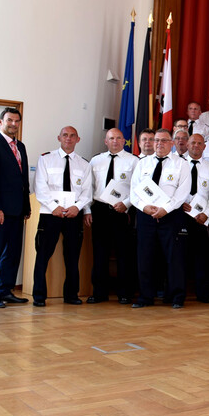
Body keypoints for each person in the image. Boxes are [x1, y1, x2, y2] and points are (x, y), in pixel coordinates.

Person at [130, 128, 192, 308]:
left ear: (172, 143)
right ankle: (145, 297)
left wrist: (165, 209)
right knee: (145, 257)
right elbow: (134, 192)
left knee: (174, 258)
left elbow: (182, 192)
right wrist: (145, 208)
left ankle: (176, 297)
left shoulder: (181, 164)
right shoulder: (142, 164)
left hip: (171, 217)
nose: (158, 144)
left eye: (164, 141)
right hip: (146, 216)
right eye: (156, 140)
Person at [31, 126, 92, 306]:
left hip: (73, 215)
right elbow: (40, 187)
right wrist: (53, 207)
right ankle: (39, 296)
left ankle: (71, 295)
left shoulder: (84, 164)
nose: (68, 138)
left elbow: (87, 193)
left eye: (73, 136)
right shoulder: (45, 159)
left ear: (78, 139)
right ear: (59, 137)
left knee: (73, 257)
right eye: (65, 135)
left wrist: (78, 208)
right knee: (42, 255)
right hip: (50, 215)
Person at [0, 107, 32, 308]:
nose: (14, 124)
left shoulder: (21, 147)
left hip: (17, 211)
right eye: (10, 120)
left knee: (12, 253)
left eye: (17, 121)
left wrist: (26, 206)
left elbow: (23, 181)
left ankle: (5, 290)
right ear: (1, 122)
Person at [84, 128, 138, 304]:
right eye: (111, 138)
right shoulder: (95, 160)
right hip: (100, 209)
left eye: (118, 138)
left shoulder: (134, 161)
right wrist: (87, 210)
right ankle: (99, 293)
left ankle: (125, 293)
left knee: (124, 253)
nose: (115, 141)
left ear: (124, 141)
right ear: (105, 141)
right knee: (100, 253)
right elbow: (88, 188)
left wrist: (126, 204)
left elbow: (137, 188)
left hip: (122, 210)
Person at [179, 133, 209, 304]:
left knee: (202, 257)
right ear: (187, 144)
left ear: (204, 146)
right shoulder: (177, 165)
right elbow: (170, 189)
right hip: (180, 216)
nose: (195, 145)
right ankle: (177, 295)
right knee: (178, 257)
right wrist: (179, 204)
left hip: (202, 219)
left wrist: (206, 213)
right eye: (192, 142)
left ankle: (203, 294)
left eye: (199, 143)